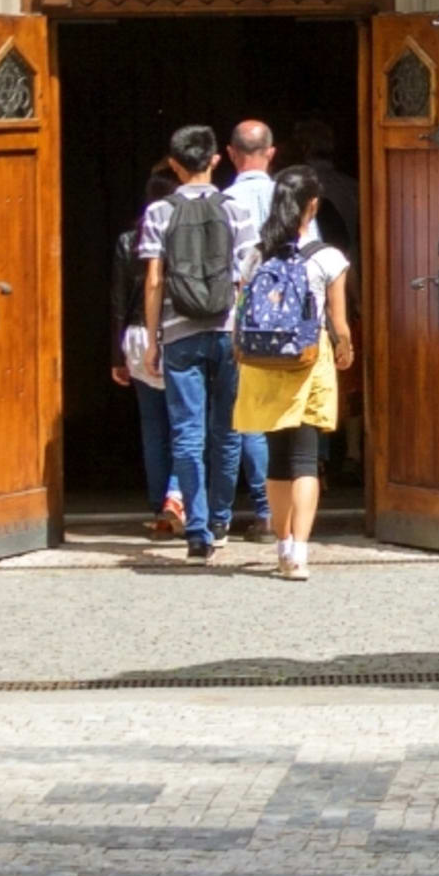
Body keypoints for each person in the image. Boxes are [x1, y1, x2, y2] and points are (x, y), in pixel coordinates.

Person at [230, 166, 355, 580]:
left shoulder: (255, 254)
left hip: (263, 365)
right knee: (305, 459)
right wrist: (345, 350)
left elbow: (240, 312)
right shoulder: (327, 257)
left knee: (277, 460)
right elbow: (338, 321)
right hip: (306, 360)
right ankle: (298, 552)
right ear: (312, 206)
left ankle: (281, 543)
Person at [147, 122, 242, 561]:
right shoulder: (235, 207)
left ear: (173, 164)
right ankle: (222, 520)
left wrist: (153, 340)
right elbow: (246, 275)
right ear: (216, 160)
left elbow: (153, 281)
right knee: (227, 430)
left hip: (180, 332)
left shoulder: (159, 213)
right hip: (227, 331)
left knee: (187, 435)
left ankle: (198, 533)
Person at [216, 114, 279, 536]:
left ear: (231, 155)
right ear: (271, 154)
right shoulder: (289, 198)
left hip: (240, 318)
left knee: (240, 417)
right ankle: (277, 510)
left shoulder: (222, 202)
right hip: (289, 321)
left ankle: (233, 515)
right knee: (281, 416)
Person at [121, 158, 187, 530]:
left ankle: (157, 503)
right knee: (186, 421)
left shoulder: (127, 240)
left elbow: (117, 300)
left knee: (153, 425)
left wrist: (116, 355)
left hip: (135, 336)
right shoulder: (182, 234)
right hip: (174, 330)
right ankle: (176, 500)